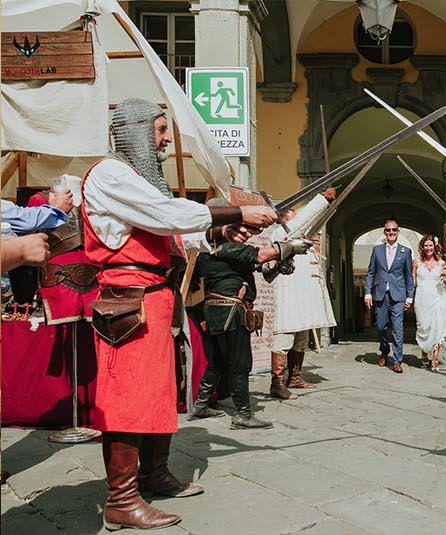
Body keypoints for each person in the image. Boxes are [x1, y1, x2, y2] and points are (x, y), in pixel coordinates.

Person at [82, 97, 278, 530]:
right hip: (127, 301)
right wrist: (236, 210)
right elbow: (164, 214)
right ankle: (121, 499)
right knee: (127, 399)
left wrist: (220, 229)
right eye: (159, 129)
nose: (167, 140)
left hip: (154, 297)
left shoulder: (137, 180)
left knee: (157, 391)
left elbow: (173, 232)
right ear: (133, 129)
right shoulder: (110, 173)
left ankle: (152, 474)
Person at [188, 214, 299, 430]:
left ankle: (200, 405)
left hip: (219, 311)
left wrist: (279, 265)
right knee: (240, 363)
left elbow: (258, 267)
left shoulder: (216, 251)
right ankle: (242, 414)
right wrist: (289, 247)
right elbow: (258, 256)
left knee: (218, 361)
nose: (242, 233)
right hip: (230, 311)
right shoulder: (220, 248)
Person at [269, 191, 337, 396]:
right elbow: (300, 224)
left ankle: (295, 377)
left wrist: (328, 207)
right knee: (284, 340)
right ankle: (277, 383)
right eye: (295, 220)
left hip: (304, 302)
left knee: (301, 340)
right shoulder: (280, 237)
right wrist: (321, 200)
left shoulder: (304, 245)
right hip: (290, 301)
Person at [365, 219, 415, 373]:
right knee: (380, 327)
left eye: (394, 230)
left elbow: (408, 276)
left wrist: (409, 297)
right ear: (384, 232)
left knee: (398, 329)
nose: (391, 232)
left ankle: (397, 360)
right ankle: (384, 349)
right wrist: (367, 293)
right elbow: (371, 273)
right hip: (380, 295)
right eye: (388, 230)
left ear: (398, 231)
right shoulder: (377, 250)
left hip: (398, 295)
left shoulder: (405, 251)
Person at [413, 234, 446, 370]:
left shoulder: (442, 264)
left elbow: (445, 284)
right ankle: (424, 355)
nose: (428, 248)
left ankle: (434, 359)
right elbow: (413, 283)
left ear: (435, 247)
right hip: (422, 298)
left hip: (438, 298)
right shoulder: (416, 263)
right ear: (422, 247)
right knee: (423, 326)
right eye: (426, 245)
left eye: (430, 245)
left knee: (437, 327)